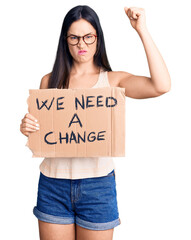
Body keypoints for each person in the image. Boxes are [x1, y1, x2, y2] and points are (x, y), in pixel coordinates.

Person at [20, 5, 171, 240]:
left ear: (97, 39)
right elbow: (42, 135)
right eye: (74, 37)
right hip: (53, 185)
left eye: (88, 37)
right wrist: (27, 127)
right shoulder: (49, 81)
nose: (82, 44)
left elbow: (160, 86)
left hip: (97, 187)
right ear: (65, 40)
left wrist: (142, 30)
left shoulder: (113, 81)